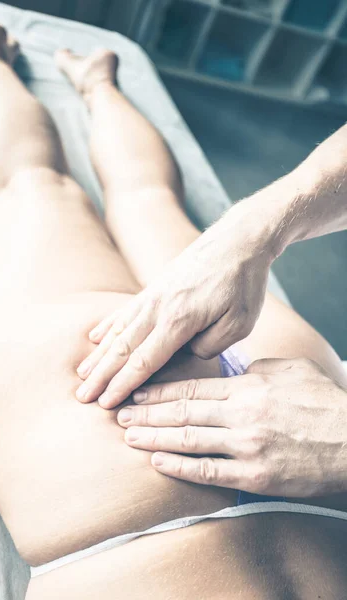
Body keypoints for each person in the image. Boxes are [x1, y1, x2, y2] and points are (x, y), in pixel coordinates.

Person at [0, 22, 347, 600]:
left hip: (264, 400)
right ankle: (68, 78)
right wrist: (253, 232)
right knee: (60, 189)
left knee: (68, 190)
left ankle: (49, 73)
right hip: (288, 423)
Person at [75, 91, 347, 499]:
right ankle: (95, 83)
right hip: (302, 390)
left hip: (301, 390)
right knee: (128, 200)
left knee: (105, 194)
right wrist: (251, 230)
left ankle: (93, 83)